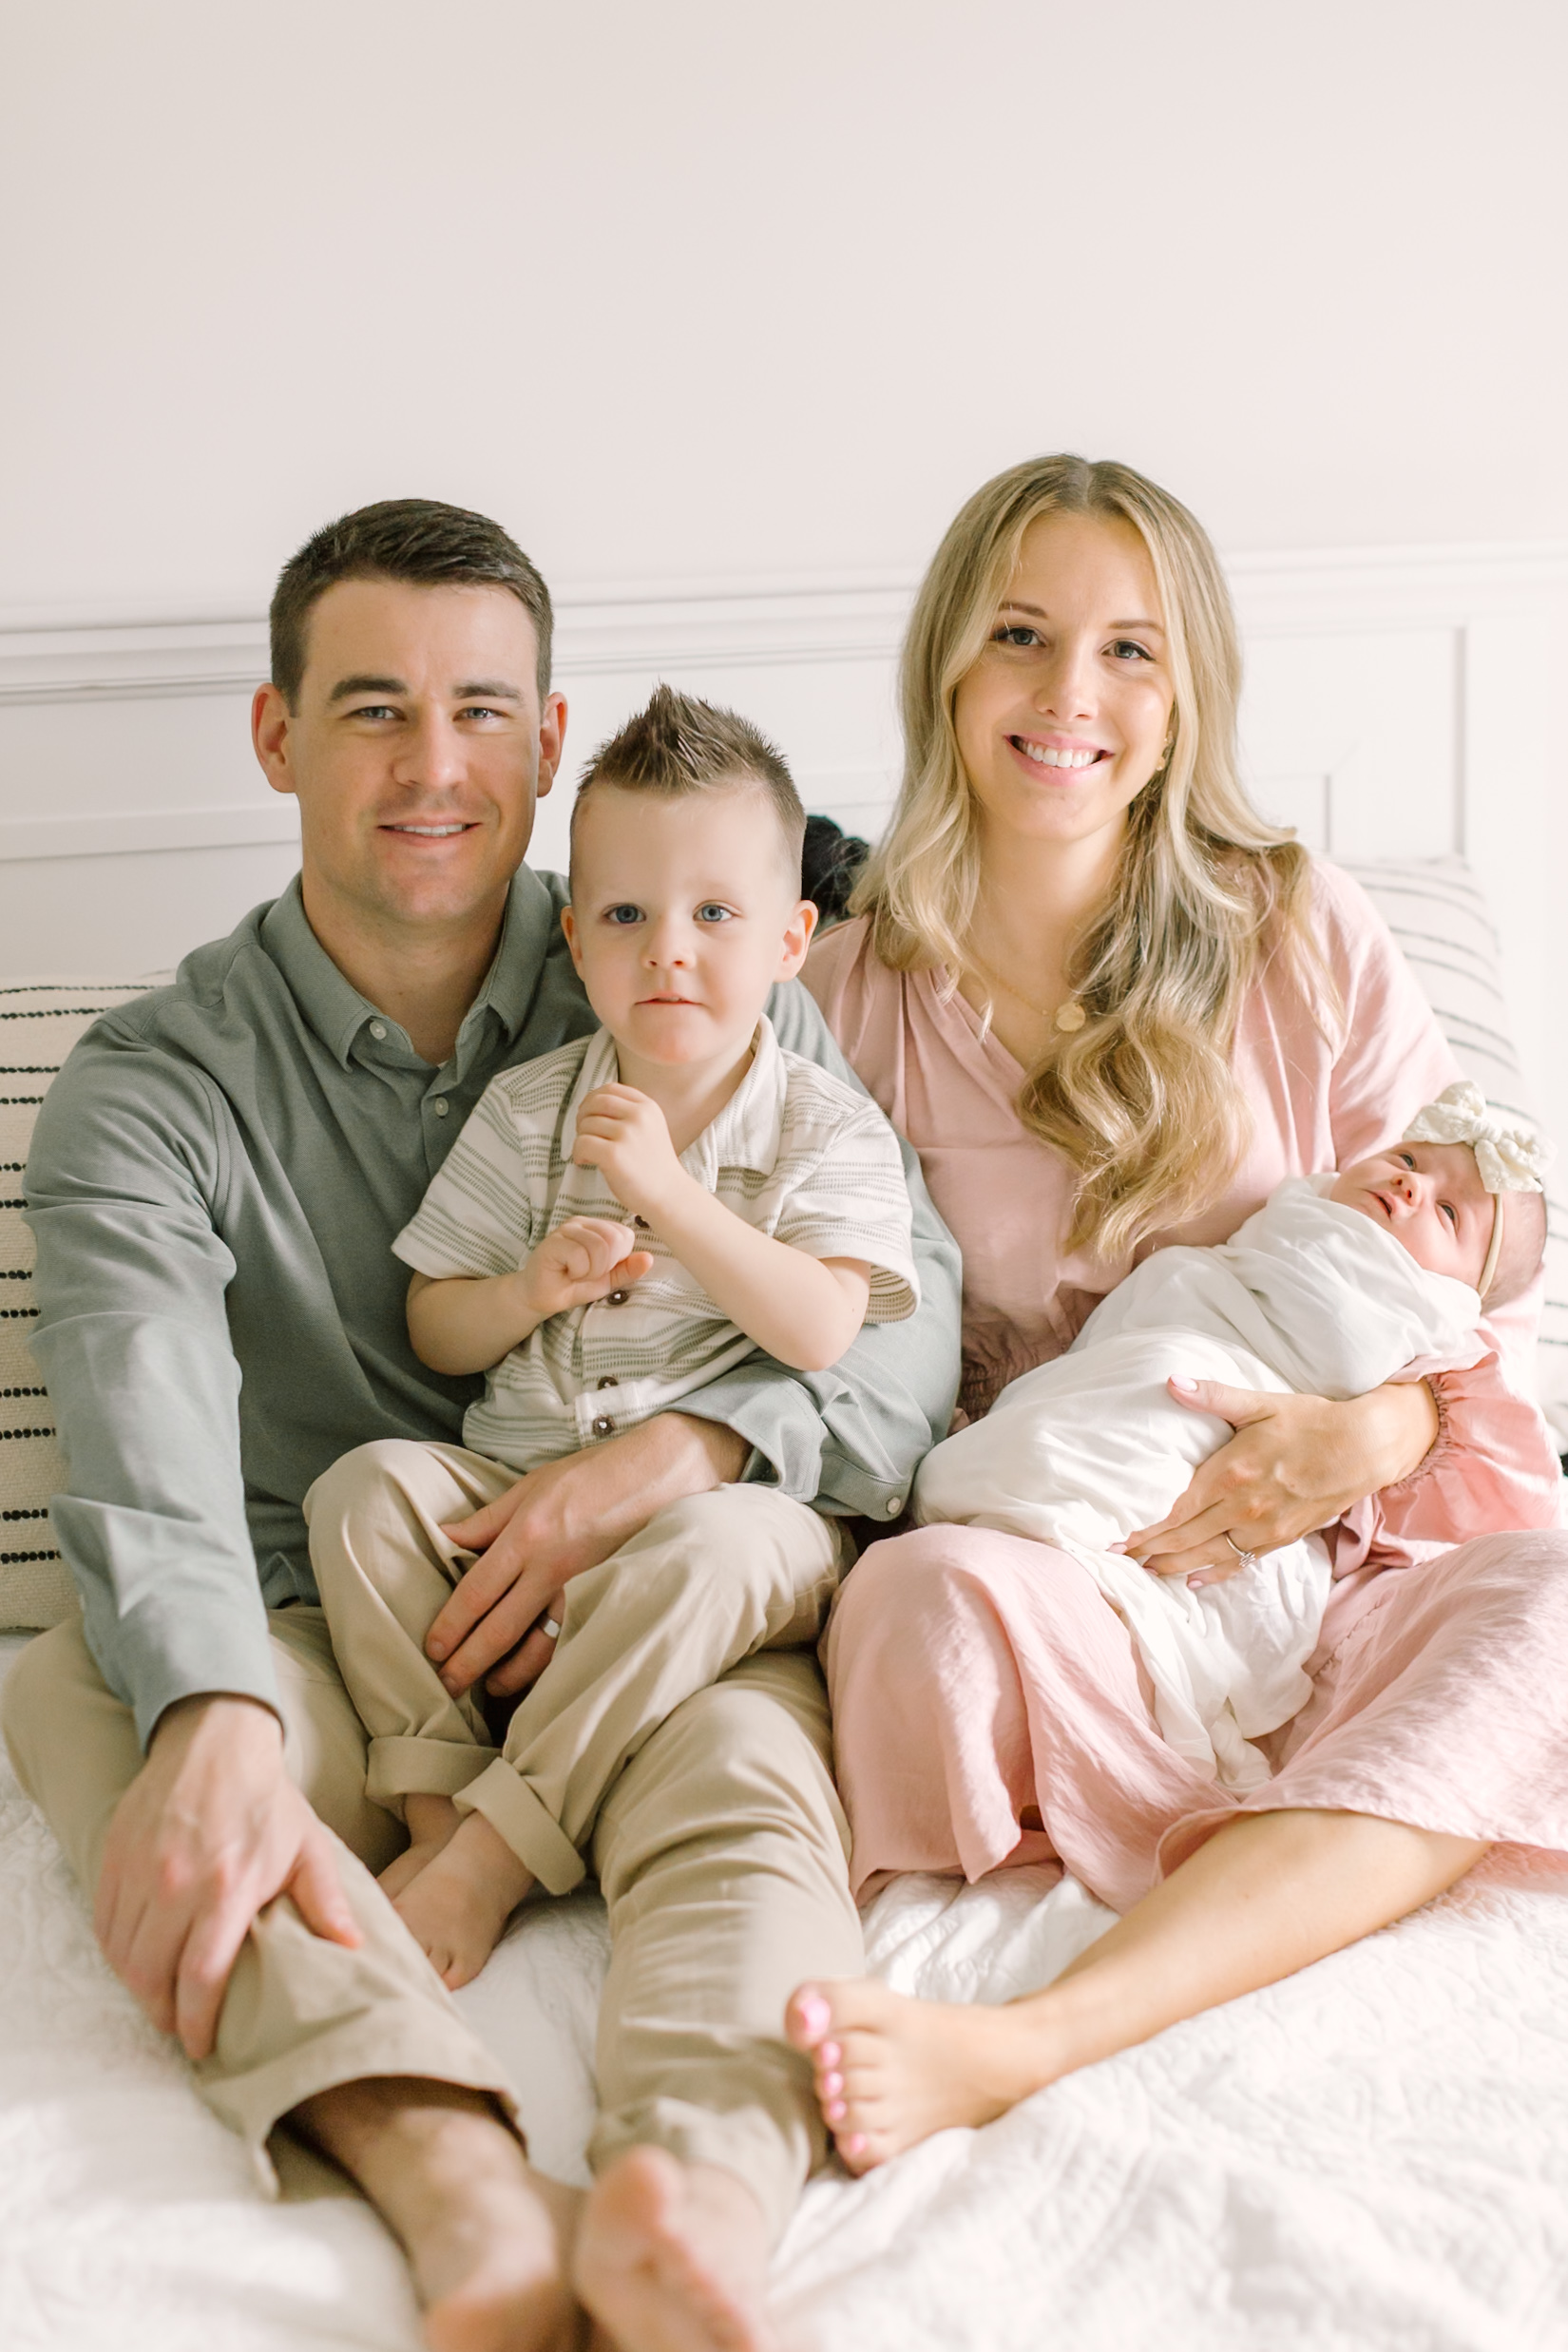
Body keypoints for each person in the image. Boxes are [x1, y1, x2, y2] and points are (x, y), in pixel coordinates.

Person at [1, 500, 962, 2352]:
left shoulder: (681, 946)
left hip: (651, 1604)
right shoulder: (154, 1088)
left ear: (546, 740)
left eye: (483, 713)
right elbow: (142, 1439)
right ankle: (461, 2180)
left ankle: (688, 2208)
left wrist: (687, 1451)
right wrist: (214, 1712)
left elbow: (899, 1335)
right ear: (278, 736)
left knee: (751, 1778)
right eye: (373, 709)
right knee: (79, 1695)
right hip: (353, 1615)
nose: (435, 766)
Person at [782, 452, 1566, 2174]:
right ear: (946, 664)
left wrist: (1379, 1429)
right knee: (915, 1606)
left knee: (1558, 1607)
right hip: (1052, 1589)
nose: (1070, 694)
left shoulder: (1301, 930)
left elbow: (1470, 1268)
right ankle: (1284, 1839)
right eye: (1021, 635)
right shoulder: (847, 994)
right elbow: (818, 1359)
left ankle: (1044, 2027)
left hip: (1324, 1572)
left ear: (1185, 691)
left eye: (1129, 650)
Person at [307, 683, 918, 1990]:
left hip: (725, 1519)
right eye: (628, 916)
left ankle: (497, 1851)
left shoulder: (827, 1127)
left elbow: (822, 1328)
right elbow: (434, 1321)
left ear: (791, 940)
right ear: (577, 940)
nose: (668, 953)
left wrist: (673, 1198)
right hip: (517, 1485)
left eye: (714, 915)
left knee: (718, 1545)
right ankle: (438, 1805)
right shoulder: (532, 1110)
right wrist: (527, 1290)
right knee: (363, 1491)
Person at [913, 1088, 1549, 1788]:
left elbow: (1449, 1383)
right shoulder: (1299, 1212)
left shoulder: (1418, 1310)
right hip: (1151, 1352)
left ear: (1461, 1294)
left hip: (1248, 1429)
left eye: (1449, 1212)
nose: (1411, 1184)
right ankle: (1043, 1521)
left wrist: (1391, 1422)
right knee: (1143, 1382)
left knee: (1163, 1395)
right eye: (1408, 1158)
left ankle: (1062, 1529)